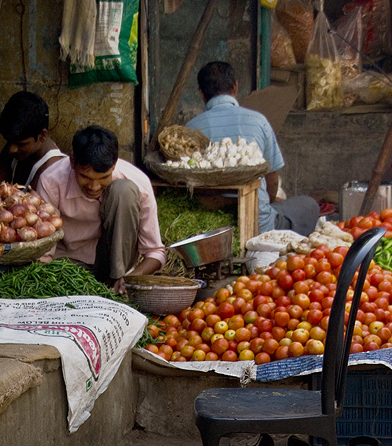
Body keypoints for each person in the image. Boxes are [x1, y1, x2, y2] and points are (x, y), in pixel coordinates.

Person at [186, 61, 319, 237]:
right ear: (235, 87)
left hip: (210, 228)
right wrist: (268, 203)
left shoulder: (190, 129)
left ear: (202, 94)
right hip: (258, 223)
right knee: (309, 205)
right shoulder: (258, 121)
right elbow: (272, 180)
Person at [37, 125, 166, 293]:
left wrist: (130, 279)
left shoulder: (138, 183)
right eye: (85, 177)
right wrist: (44, 282)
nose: (94, 186)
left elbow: (155, 252)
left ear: (114, 165)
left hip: (115, 265)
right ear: (73, 162)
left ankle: (115, 283)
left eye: (104, 178)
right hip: (68, 264)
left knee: (124, 191)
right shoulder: (51, 181)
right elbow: (44, 251)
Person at [0, 91, 66, 191]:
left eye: (21, 144)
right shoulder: (16, 149)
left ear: (42, 135)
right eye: (9, 141)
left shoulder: (53, 171)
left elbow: (32, 206)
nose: (11, 149)